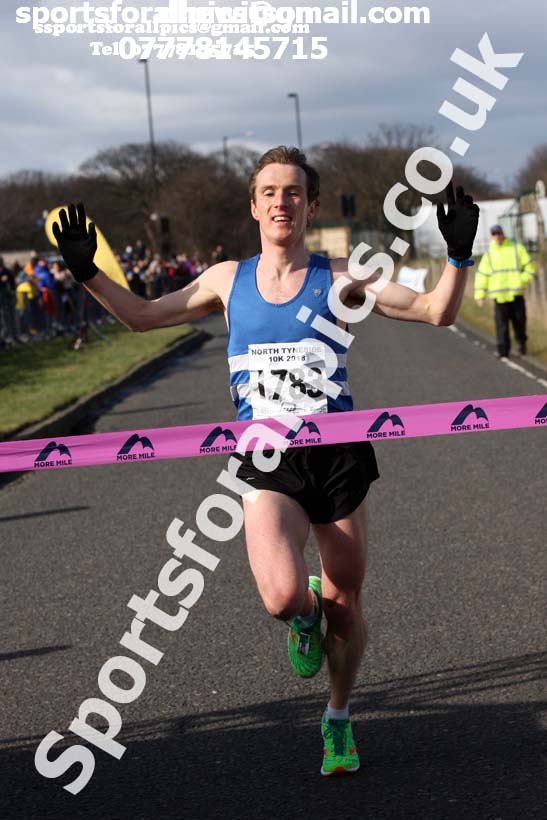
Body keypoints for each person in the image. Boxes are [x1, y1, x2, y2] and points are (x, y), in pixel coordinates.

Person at [52, 146, 479, 777]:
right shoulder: (226, 280)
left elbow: (435, 311)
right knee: (282, 596)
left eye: (294, 192)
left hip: (337, 457)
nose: (283, 201)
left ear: (310, 206)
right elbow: (143, 316)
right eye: (270, 192)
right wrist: (88, 272)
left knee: (345, 604)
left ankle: (338, 715)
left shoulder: (344, 276)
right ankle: (302, 618)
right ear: (254, 207)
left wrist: (459, 256)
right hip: (266, 457)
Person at [474, 224, 536, 358]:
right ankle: (503, 351)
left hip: (516, 295)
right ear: (491, 237)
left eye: (499, 233)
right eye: (494, 234)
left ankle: (521, 345)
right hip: (500, 298)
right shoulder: (489, 254)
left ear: (503, 234)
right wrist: (480, 296)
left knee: (520, 323)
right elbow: (482, 276)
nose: (497, 236)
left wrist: (521, 280)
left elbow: (530, 268)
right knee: (501, 326)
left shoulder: (517, 248)